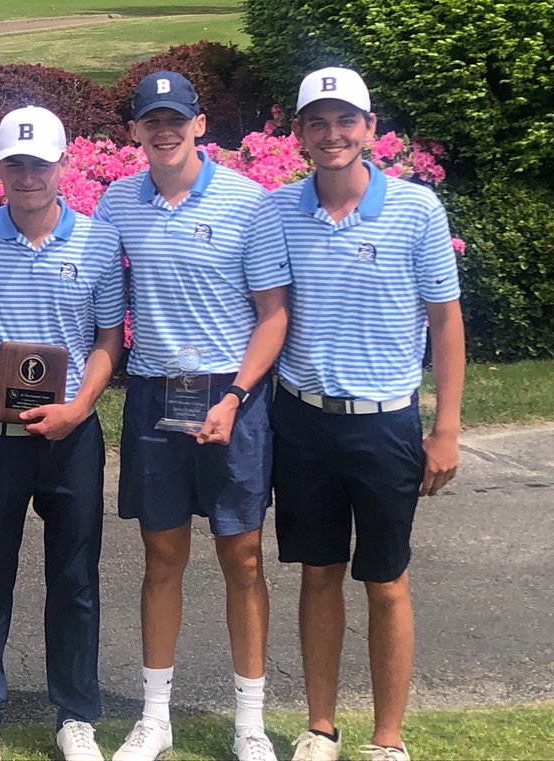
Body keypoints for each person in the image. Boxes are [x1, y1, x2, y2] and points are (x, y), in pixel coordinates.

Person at [93, 72, 290, 761]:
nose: (165, 130)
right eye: (152, 120)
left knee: (242, 555)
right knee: (162, 556)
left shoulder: (248, 202)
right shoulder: (118, 201)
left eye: (177, 118)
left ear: (200, 125)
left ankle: (250, 721)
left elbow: (274, 314)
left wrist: (235, 394)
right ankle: (155, 716)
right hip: (155, 392)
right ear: (137, 131)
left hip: (233, 393)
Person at [270, 68, 464, 761]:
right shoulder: (279, 211)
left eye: (345, 120)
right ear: (299, 134)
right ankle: (320, 726)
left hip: (385, 421)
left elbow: (445, 322)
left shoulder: (416, 209)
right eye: (317, 122)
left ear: (370, 129)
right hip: (303, 418)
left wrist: (445, 427)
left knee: (386, 579)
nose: (332, 135)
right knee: (318, 571)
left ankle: (387, 738)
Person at [0, 107, 124, 761]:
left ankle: (75, 713)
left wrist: (78, 405)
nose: (28, 176)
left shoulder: (98, 242)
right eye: (15, 164)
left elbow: (108, 338)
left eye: (40, 163)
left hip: (70, 434)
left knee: (74, 577)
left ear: (62, 166)